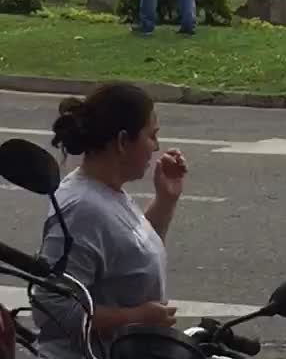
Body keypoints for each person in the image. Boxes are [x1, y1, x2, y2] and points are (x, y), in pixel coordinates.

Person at [32, 83, 188, 359]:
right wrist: (134, 318)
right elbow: (52, 307)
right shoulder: (83, 209)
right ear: (122, 142)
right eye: (152, 136)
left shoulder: (108, 191)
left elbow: (131, 250)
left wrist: (166, 199)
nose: (157, 147)